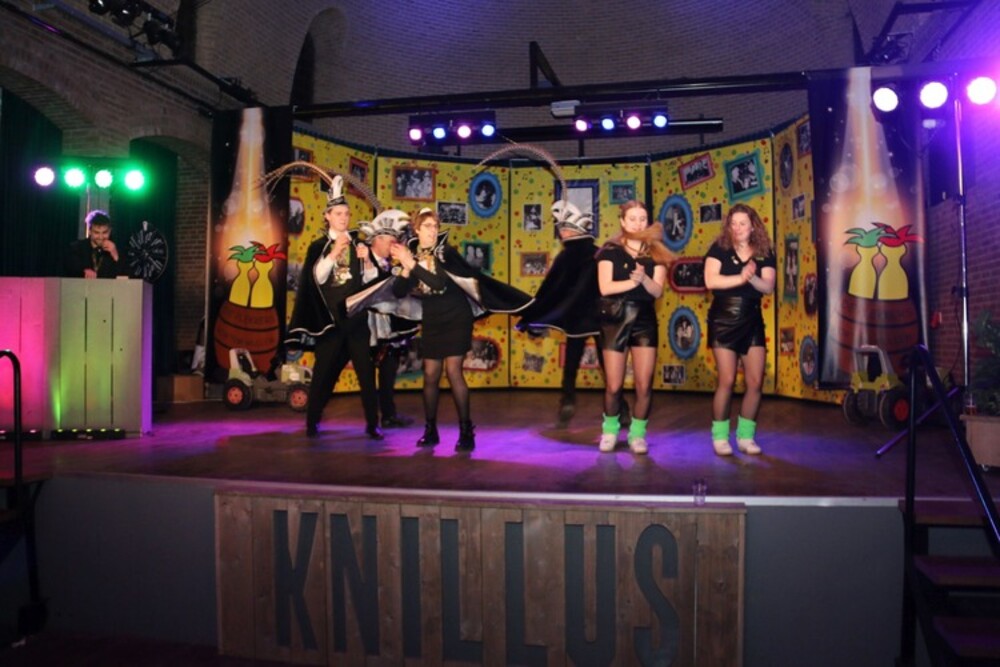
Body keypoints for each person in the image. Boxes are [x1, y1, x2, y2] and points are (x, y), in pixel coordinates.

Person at [389, 207, 532, 452]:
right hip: (433, 319)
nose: (433, 230)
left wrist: (410, 262)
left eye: (435, 226)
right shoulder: (414, 256)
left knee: (453, 371)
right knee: (430, 375)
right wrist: (405, 266)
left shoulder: (446, 253)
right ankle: (430, 430)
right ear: (417, 229)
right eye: (428, 226)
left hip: (456, 318)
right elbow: (399, 292)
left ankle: (466, 431)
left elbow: (438, 283)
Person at [285, 175, 384, 440]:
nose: (344, 218)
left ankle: (373, 424)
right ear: (327, 216)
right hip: (330, 323)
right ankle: (312, 421)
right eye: (338, 213)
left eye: (347, 213)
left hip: (356, 321)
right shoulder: (319, 247)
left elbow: (371, 281)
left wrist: (368, 261)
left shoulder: (358, 244)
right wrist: (333, 252)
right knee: (323, 374)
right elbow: (316, 278)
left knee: (366, 374)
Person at [516, 200, 603, 427]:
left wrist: (533, 313)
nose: (561, 232)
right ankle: (620, 409)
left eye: (562, 228)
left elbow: (550, 289)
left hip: (576, 318)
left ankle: (567, 402)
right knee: (609, 366)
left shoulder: (565, 257)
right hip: (601, 317)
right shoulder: (598, 253)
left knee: (571, 365)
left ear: (570, 230)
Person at [595, 200, 671, 454]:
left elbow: (657, 291)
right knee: (614, 385)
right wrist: (632, 282)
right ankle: (610, 431)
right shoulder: (609, 251)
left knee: (644, 385)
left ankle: (638, 434)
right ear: (622, 221)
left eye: (642, 218)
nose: (638, 224)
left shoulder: (656, 252)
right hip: (615, 320)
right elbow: (605, 287)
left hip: (644, 320)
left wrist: (644, 279)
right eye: (633, 218)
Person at [703, 203, 776, 456]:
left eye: (742, 223)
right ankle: (720, 437)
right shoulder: (719, 248)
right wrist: (741, 277)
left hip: (751, 318)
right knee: (727, 380)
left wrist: (752, 277)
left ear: (753, 226)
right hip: (723, 319)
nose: (737, 228)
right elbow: (711, 281)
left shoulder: (764, 251)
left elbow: (768, 287)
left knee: (755, 381)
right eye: (733, 223)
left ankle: (746, 436)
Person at [358, 209, 417, 429]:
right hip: (365, 329)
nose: (393, 244)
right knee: (366, 374)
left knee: (388, 371)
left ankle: (388, 415)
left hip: (388, 329)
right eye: (390, 240)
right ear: (378, 239)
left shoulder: (390, 264)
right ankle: (374, 420)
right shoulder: (363, 260)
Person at [65, 210, 123, 278]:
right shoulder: (77, 248)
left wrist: (116, 256)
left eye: (104, 232)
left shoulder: (116, 249)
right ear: (90, 231)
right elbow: (70, 269)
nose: (101, 237)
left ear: (110, 231)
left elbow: (125, 276)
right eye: (96, 232)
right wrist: (83, 271)